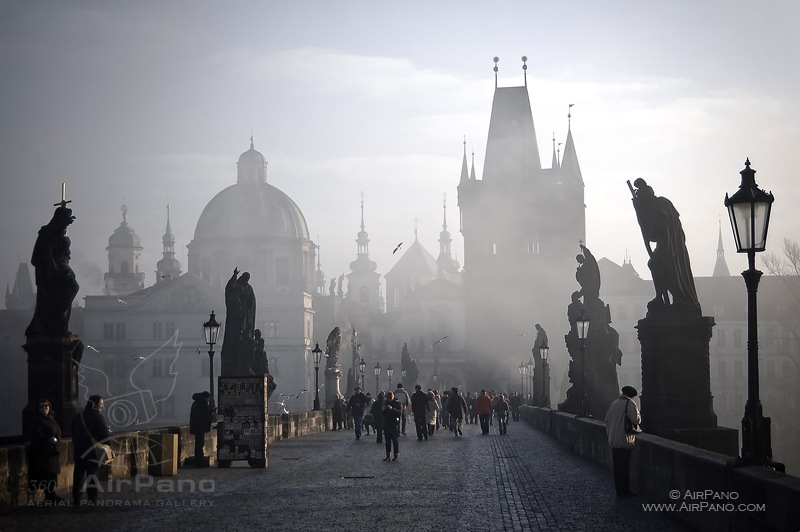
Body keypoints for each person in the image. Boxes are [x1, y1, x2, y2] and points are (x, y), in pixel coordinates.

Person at [631, 179, 700, 314]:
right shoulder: (662, 203)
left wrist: (639, 211)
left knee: (658, 265)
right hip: (672, 244)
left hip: (668, 245)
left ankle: (670, 298)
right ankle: (666, 298)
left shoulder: (657, 208)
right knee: (659, 266)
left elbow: (653, 234)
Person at [26, 204, 79, 337]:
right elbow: (43, 254)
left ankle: (58, 319)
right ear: (60, 219)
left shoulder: (58, 233)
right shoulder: (47, 232)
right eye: (65, 222)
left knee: (71, 286)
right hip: (52, 271)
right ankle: (56, 316)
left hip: (59, 269)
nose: (66, 226)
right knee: (73, 286)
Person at [71, 395, 111, 505]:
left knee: (78, 476)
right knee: (92, 475)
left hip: (79, 451)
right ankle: (92, 499)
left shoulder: (78, 416)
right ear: (95, 404)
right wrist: (108, 445)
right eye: (101, 404)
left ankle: (76, 499)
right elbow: (105, 435)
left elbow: (73, 434)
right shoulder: (97, 417)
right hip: (92, 452)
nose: (102, 407)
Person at [604, 386, 642, 497]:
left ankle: (619, 490)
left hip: (613, 439)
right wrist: (638, 413)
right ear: (631, 395)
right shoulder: (629, 403)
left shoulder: (614, 403)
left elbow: (607, 420)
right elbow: (636, 420)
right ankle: (626, 491)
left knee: (617, 467)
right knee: (625, 467)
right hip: (624, 439)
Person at [28, 399, 63, 501]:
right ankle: (49, 495)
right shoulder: (38, 420)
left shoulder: (50, 418)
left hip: (53, 451)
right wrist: (49, 439)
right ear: (38, 409)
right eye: (42, 406)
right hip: (44, 452)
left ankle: (52, 494)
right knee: (47, 474)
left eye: (47, 405)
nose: (45, 408)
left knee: (52, 474)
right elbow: (37, 434)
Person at [189, 391, 212, 466]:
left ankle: (199, 459)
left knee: (199, 443)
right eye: (208, 398)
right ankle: (199, 461)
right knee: (200, 444)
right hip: (200, 427)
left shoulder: (197, 403)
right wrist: (210, 411)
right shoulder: (202, 404)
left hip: (197, 426)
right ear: (206, 397)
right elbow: (203, 415)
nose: (208, 400)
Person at [382, 391, 402, 461]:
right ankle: (388, 455)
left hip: (394, 423)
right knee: (387, 440)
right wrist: (385, 410)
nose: (389, 400)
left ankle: (396, 454)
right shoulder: (385, 402)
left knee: (394, 439)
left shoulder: (397, 402)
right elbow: (382, 412)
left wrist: (392, 409)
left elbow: (399, 413)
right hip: (386, 423)